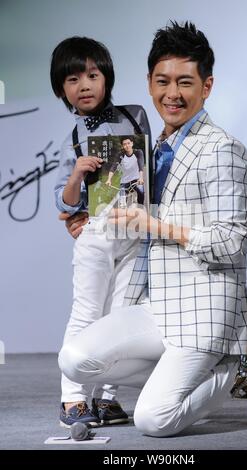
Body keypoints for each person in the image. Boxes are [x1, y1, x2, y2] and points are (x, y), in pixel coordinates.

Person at [58, 22, 247, 436]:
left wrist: (158, 226)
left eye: (186, 82)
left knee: (154, 420)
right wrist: (89, 218)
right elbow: (123, 203)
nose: (173, 93)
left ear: (207, 86)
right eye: (162, 81)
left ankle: (240, 363)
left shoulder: (223, 149)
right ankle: (185, 371)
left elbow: (232, 243)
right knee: (75, 358)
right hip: (157, 304)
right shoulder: (148, 147)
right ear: (148, 83)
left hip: (203, 310)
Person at [50, 36, 151, 428]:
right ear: (63, 90)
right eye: (73, 79)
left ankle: (109, 399)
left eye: (92, 75)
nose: (85, 85)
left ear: (106, 77)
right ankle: (72, 399)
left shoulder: (135, 116)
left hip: (135, 231)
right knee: (87, 314)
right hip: (95, 234)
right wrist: (77, 173)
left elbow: (148, 167)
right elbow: (65, 203)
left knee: (121, 317)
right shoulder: (72, 140)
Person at [106, 136, 145, 205]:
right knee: (122, 203)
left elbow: (141, 165)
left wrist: (141, 178)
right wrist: (109, 179)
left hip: (136, 180)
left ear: (132, 143)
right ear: (122, 146)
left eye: (128, 143)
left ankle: (140, 208)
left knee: (141, 192)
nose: (127, 146)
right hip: (124, 182)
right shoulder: (120, 155)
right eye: (124, 144)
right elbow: (114, 167)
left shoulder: (138, 152)